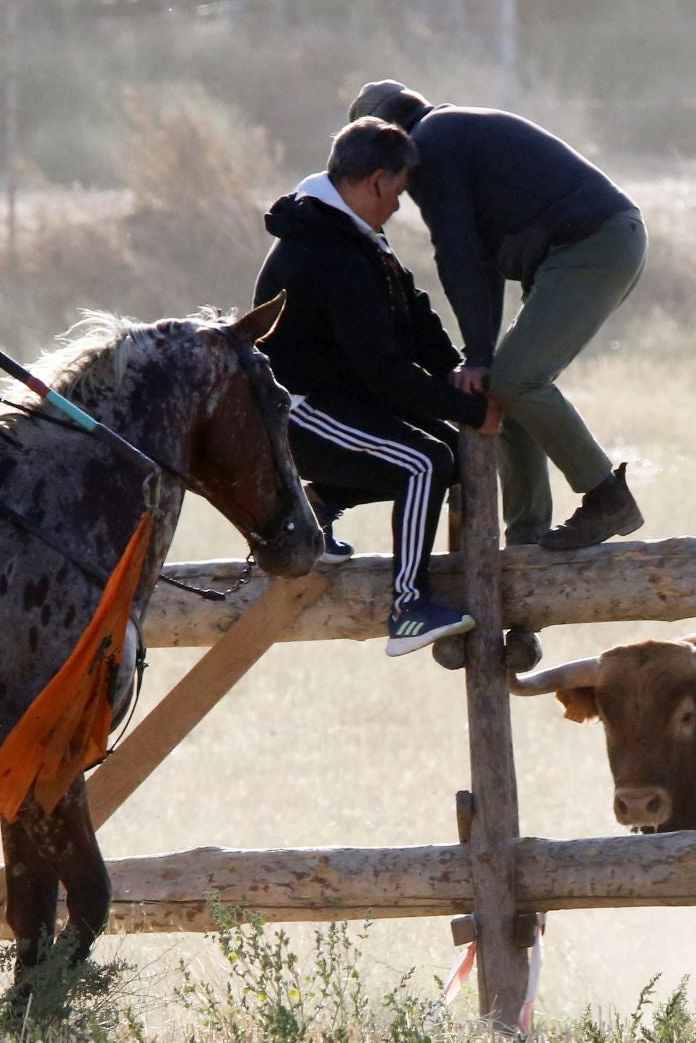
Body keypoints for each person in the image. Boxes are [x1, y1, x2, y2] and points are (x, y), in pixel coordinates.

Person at [347, 80, 644, 550]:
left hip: (590, 243)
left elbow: (457, 254)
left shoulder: (429, 147)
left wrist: (480, 356)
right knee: (505, 386)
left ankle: (606, 495)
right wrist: (479, 356)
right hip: (592, 242)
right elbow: (478, 261)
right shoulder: (449, 132)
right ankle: (528, 540)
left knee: (516, 379)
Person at [254, 117, 503, 656]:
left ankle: (316, 505)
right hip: (299, 410)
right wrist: (465, 407)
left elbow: (412, 316)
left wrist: (459, 371)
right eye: (397, 192)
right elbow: (384, 372)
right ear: (375, 181)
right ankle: (408, 608)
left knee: (451, 456)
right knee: (424, 462)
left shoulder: (360, 238)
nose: (397, 206)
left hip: (341, 402)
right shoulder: (326, 250)